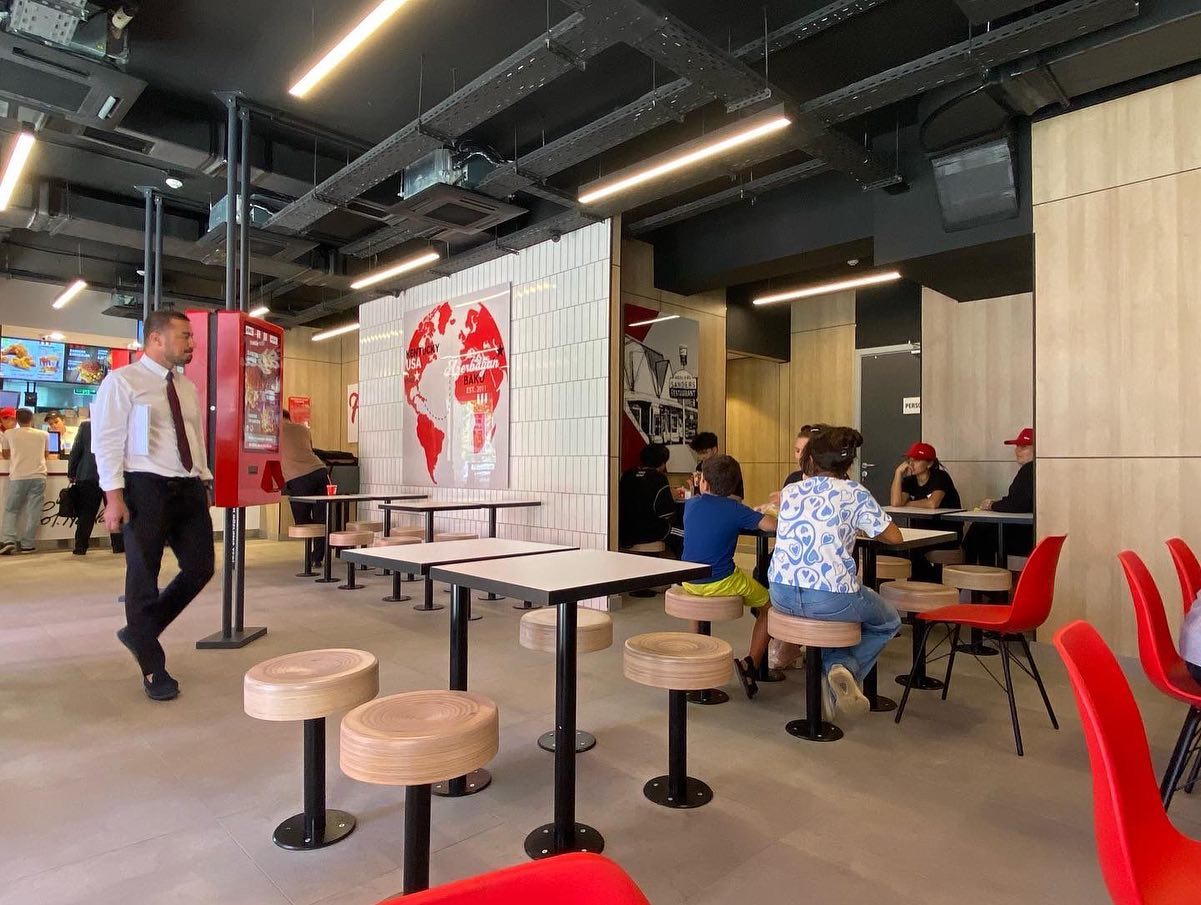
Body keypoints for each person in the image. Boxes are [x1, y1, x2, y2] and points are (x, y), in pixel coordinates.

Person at [92, 309, 215, 702]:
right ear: (157, 339)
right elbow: (107, 441)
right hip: (145, 487)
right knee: (143, 575)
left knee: (201, 567)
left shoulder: (185, 386)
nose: (192, 343)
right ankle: (152, 667)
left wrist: (204, 477)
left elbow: (193, 435)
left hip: (188, 486)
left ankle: (140, 632)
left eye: (191, 336)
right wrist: (113, 496)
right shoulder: (122, 381)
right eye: (184, 336)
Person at [768, 426, 903, 719]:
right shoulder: (854, 492)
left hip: (780, 592)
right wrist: (859, 525)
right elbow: (894, 537)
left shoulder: (790, 491)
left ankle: (836, 669)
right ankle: (844, 669)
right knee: (888, 621)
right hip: (830, 595)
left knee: (834, 618)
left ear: (810, 460)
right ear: (847, 463)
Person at [680, 454, 777, 699]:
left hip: (689, 580)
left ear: (703, 482)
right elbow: (771, 525)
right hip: (722, 580)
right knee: (770, 607)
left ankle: (697, 658)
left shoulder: (691, 505)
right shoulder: (736, 510)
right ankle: (752, 664)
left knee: (697, 606)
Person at [962, 427, 1035, 566]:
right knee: (981, 529)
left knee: (979, 530)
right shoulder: (1034, 470)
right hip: (1030, 531)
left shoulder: (1029, 470)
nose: (1017, 451)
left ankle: (974, 574)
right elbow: (1018, 500)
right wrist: (998, 504)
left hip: (1026, 535)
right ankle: (984, 575)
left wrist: (992, 505)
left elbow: (1018, 504)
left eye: (1024, 447)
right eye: (1017, 446)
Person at [67, 419, 125, 556]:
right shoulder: (118, 422)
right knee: (116, 510)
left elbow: (76, 450)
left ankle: (80, 547)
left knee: (86, 513)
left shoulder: (86, 426)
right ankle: (118, 545)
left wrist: (72, 472)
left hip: (88, 475)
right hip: (112, 475)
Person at [281, 409, 330, 568]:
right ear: (289, 417)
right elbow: (308, 448)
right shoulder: (303, 429)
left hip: (298, 477)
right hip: (320, 472)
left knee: (302, 520)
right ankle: (317, 556)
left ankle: (313, 554)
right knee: (322, 517)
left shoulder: (274, 432)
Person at [0, 408, 48, 555]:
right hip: (39, 476)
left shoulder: (9, 434)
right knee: (34, 511)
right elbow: (46, 454)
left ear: (17, 420)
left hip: (18, 476)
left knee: (11, 509)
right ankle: (28, 544)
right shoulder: (43, 434)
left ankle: (8, 540)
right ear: (32, 419)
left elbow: (6, 454)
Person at [618, 443, 675, 551]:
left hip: (624, 533)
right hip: (648, 534)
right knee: (686, 535)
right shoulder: (659, 478)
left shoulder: (627, 475)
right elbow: (667, 513)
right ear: (662, 463)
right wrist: (670, 495)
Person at [889, 442, 962, 510]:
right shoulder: (909, 481)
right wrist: (898, 473)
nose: (911, 464)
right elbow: (896, 503)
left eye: (917, 460)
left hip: (946, 519)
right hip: (919, 519)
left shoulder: (941, 477)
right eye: (910, 460)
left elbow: (932, 504)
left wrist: (907, 504)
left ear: (929, 464)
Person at [685, 431, 743, 499]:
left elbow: (738, 497)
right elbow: (699, 494)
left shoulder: (729, 466)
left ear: (714, 450)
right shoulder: (700, 467)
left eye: (704, 452)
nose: (701, 457)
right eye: (699, 453)